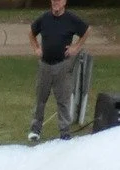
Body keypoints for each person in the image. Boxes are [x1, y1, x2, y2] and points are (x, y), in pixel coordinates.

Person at [29, 0, 89, 144]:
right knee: (40, 99)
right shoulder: (44, 18)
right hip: (45, 65)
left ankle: (64, 132)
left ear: (64, 2)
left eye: (59, 0)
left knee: (63, 100)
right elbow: (31, 32)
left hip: (62, 65)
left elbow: (86, 31)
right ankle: (35, 130)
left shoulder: (71, 19)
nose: (56, 3)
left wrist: (76, 47)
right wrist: (36, 48)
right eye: (54, 0)